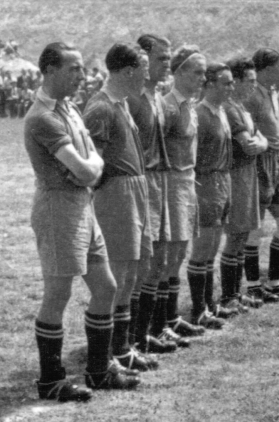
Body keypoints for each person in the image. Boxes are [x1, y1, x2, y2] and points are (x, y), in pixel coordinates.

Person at [24, 42, 124, 402]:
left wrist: (88, 171)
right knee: (58, 293)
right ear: (50, 70)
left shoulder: (69, 109)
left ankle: (98, 370)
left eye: (82, 69)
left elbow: (93, 164)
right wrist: (88, 170)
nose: (82, 76)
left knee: (106, 286)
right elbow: (85, 167)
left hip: (83, 205)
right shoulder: (42, 118)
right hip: (58, 211)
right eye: (73, 69)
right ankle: (51, 380)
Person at [83, 43, 152, 390]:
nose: (148, 76)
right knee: (119, 273)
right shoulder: (101, 108)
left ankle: (122, 349)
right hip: (117, 195)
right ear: (128, 71)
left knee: (131, 273)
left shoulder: (122, 105)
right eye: (144, 69)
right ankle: (108, 354)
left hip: (134, 192)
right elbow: (92, 167)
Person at [126, 34, 187, 366]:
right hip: (143, 183)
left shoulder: (157, 96)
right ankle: (133, 337)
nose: (167, 64)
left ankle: (150, 329)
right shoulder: (133, 98)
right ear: (143, 59)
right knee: (142, 262)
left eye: (168, 58)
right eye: (162, 58)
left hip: (162, 182)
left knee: (161, 258)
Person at [161, 46, 219, 330]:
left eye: (205, 72)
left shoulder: (190, 107)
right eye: (197, 72)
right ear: (179, 72)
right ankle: (162, 323)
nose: (203, 78)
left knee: (179, 255)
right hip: (171, 186)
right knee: (169, 257)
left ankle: (170, 320)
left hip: (188, 186)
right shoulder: (168, 107)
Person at [242, 48, 279, 302]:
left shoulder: (273, 93)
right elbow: (243, 130)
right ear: (265, 70)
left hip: (275, 161)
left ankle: (275, 282)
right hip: (258, 163)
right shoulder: (251, 96)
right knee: (255, 228)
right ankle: (254, 285)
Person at [188, 63, 238, 326]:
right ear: (209, 84)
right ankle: (198, 310)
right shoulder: (200, 113)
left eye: (231, 83)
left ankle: (209, 305)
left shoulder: (221, 111)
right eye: (225, 83)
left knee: (213, 248)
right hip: (206, 184)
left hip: (222, 182)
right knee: (202, 248)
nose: (231, 87)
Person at [220, 57, 268, 310]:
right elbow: (249, 145)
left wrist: (260, 143)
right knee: (236, 235)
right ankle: (228, 296)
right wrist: (260, 143)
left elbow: (261, 138)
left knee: (242, 235)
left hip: (248, 175)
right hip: (237, 175)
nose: (252, 85)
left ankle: (235, 294)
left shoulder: (242, 107)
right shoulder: (229, 108)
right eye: (249, 81)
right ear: (235, 81)